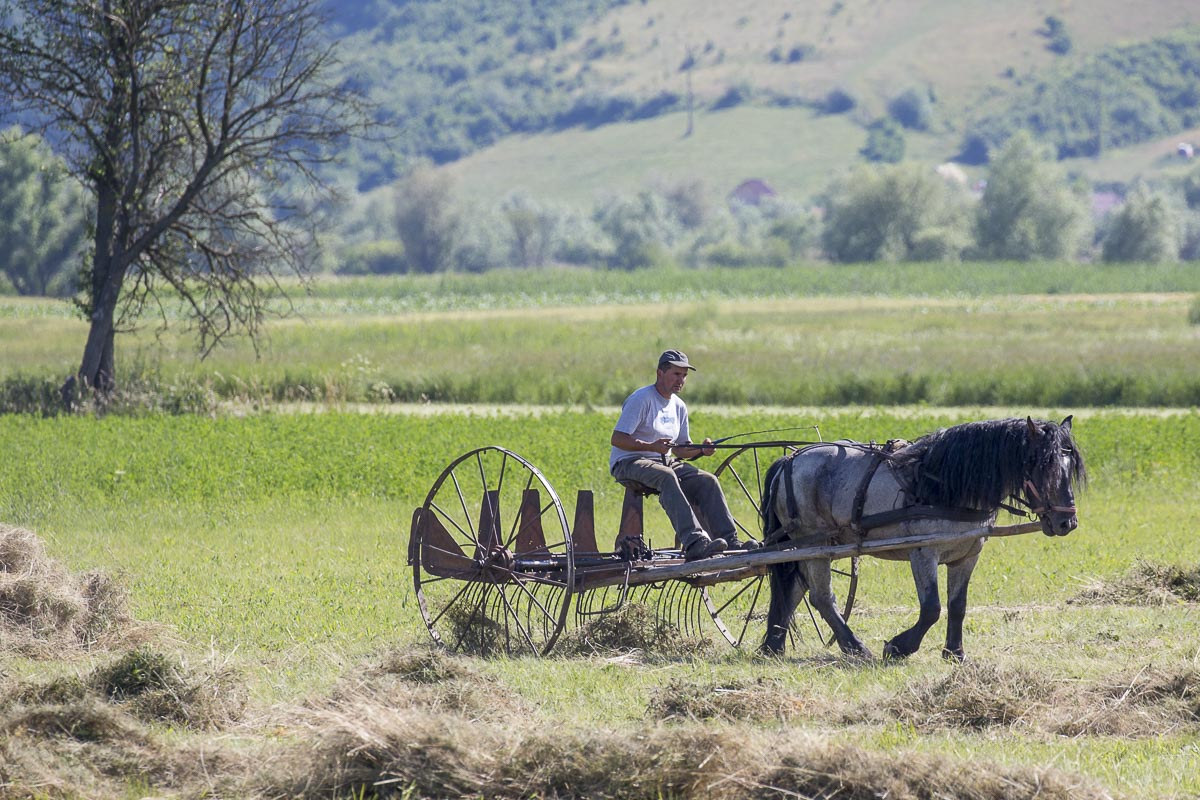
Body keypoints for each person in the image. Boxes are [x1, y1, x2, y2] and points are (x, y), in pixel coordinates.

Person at [609, 349, 760, 561]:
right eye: (676, 374)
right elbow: (617, 438)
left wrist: (701, 449)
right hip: (629, 462)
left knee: (708, 481)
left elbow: (680, 448)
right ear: (660, 373)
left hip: (663, 460)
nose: (681, 380)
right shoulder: (641, 399)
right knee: (666, 476)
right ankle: (695, 542)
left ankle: (731, 541)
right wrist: (651, 447)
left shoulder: (678, 406)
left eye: (685, 375)